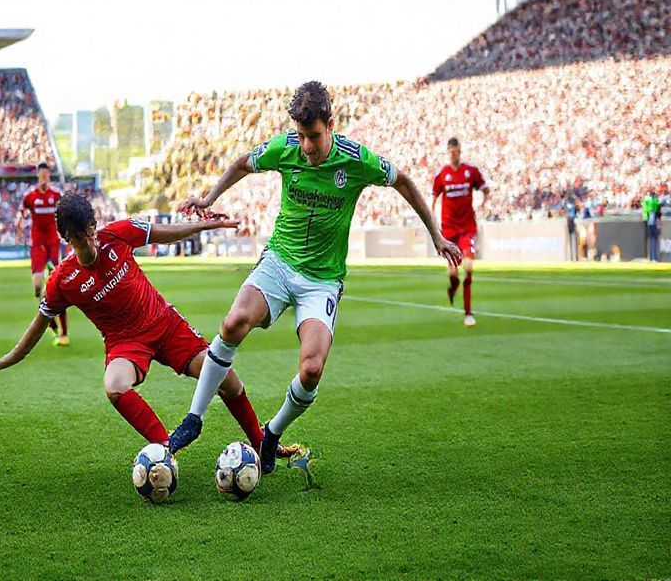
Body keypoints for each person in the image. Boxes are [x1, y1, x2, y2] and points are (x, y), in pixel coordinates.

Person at [169, 81, 462, 473]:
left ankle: (271, 433)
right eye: (302, 136)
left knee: (311, 369)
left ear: (331, 124)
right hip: (280, 261)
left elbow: (405, 182)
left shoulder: (356, 160)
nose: (306, 146)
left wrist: (437, 235)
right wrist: (209, 198)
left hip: (322, 279)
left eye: (314, 136)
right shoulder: (285, 148)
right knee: (234, 321)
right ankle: (194, 418)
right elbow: (242, 163)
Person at [0, 193, 271, 456]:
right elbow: (34, 332)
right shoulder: (61, 281)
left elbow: (168, 232)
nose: (90, 240)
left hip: (165, 324)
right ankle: (164, 450)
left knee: (226, 380)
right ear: (67, 239)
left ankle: (260, 444)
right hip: (125, 344)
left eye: (91, 231)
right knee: (114, 385)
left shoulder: (119, 233)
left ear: (94, 225)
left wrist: (205, 224)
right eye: (81, 236)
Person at [431, 138, 490, 327]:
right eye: (450, 152)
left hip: (467, 228)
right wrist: (432, 218)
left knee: (470, 267)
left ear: (460, 151)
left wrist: (483, 204)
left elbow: (486, 189)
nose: (453, 155)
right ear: (447, 153)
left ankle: (468, 313)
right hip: (448, 230)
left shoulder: (470, 171)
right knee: (454, 274)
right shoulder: (442, 175)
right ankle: (453, 287)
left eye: (456, 152)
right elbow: (433, 198)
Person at [21, 163, 69, 346]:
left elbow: (65, 213)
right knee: (38, 286)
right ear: (38, 176)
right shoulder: (30, 196)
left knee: (59, 286)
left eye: (47, 175)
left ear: (49, 176)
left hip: (53, 245)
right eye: (42, 175)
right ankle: (51, 323)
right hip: (37, 245)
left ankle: (63, 333)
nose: (44, 178)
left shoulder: (56, 195)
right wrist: (21, 220)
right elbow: (22, 211)